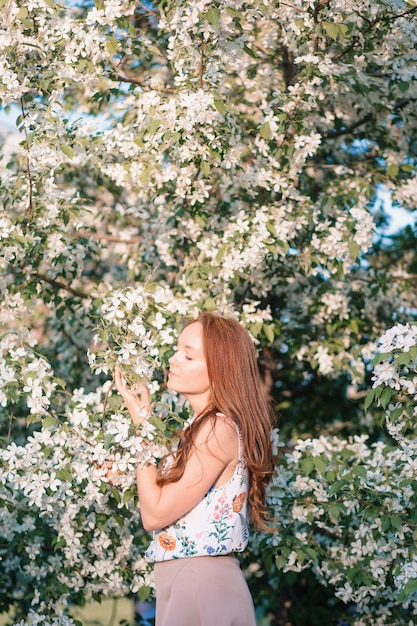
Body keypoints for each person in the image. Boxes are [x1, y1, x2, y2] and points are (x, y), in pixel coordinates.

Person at [115, 311, 275, 626]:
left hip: (198, 582)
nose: (173, 359)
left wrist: (142, 428)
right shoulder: (201, 429)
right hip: (187, 580)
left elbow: (156, 514)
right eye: (177, 350)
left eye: (188, 356)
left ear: (219, 370)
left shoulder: (216, 429)